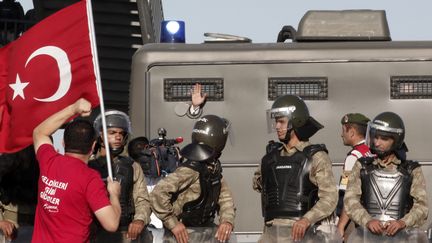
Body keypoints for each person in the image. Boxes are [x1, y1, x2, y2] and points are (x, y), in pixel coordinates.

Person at [31, 98, 121, 243]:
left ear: (63, 142)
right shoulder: (91, 178)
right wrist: (114, 195)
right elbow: (111, 224)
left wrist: (73, 108)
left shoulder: (49, 161)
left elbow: (39, 132)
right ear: (92, 147)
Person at [253, 94, 338, 242]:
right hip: (271, 233)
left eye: (281, 122)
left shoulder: (316, 157)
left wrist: (306, 219)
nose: (277, 127)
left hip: (302, 234)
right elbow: (257, 184)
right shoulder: (269, 158)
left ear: (296, 122)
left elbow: (330, 198)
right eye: (275, 122)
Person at [150, 114, 236, 243]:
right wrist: (173, 223)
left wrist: (227, 221)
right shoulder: (190, 170)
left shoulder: (213, 168)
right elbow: (158, 193)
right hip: (183, 235)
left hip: (205, 232)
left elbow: (225, 199)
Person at [344, 111, 428, 238]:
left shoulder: (411, 171)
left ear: (396, 140)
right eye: (375, 137)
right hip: (366, 237)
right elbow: (350, 201)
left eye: (384, 139)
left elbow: (422, 207)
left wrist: (403, 222)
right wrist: (367, 220)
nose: (377, 143)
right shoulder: (362, 167)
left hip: (400, 238)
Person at [89, 110, 151, 242]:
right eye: (112, 133)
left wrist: (139, 220)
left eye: (121, 133)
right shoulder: (89, 165)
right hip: (95, 232)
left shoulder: (132, 166)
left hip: (126, 232)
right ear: (101, 135)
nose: (118, 137)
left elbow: (142, 199)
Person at [336, 113, 372, 239]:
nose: (341, 135)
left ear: (351, 132)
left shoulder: (354, 157)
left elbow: (347, 194)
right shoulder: (370, 151)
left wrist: (340, 225)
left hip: (356, 217)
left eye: (343, 131)